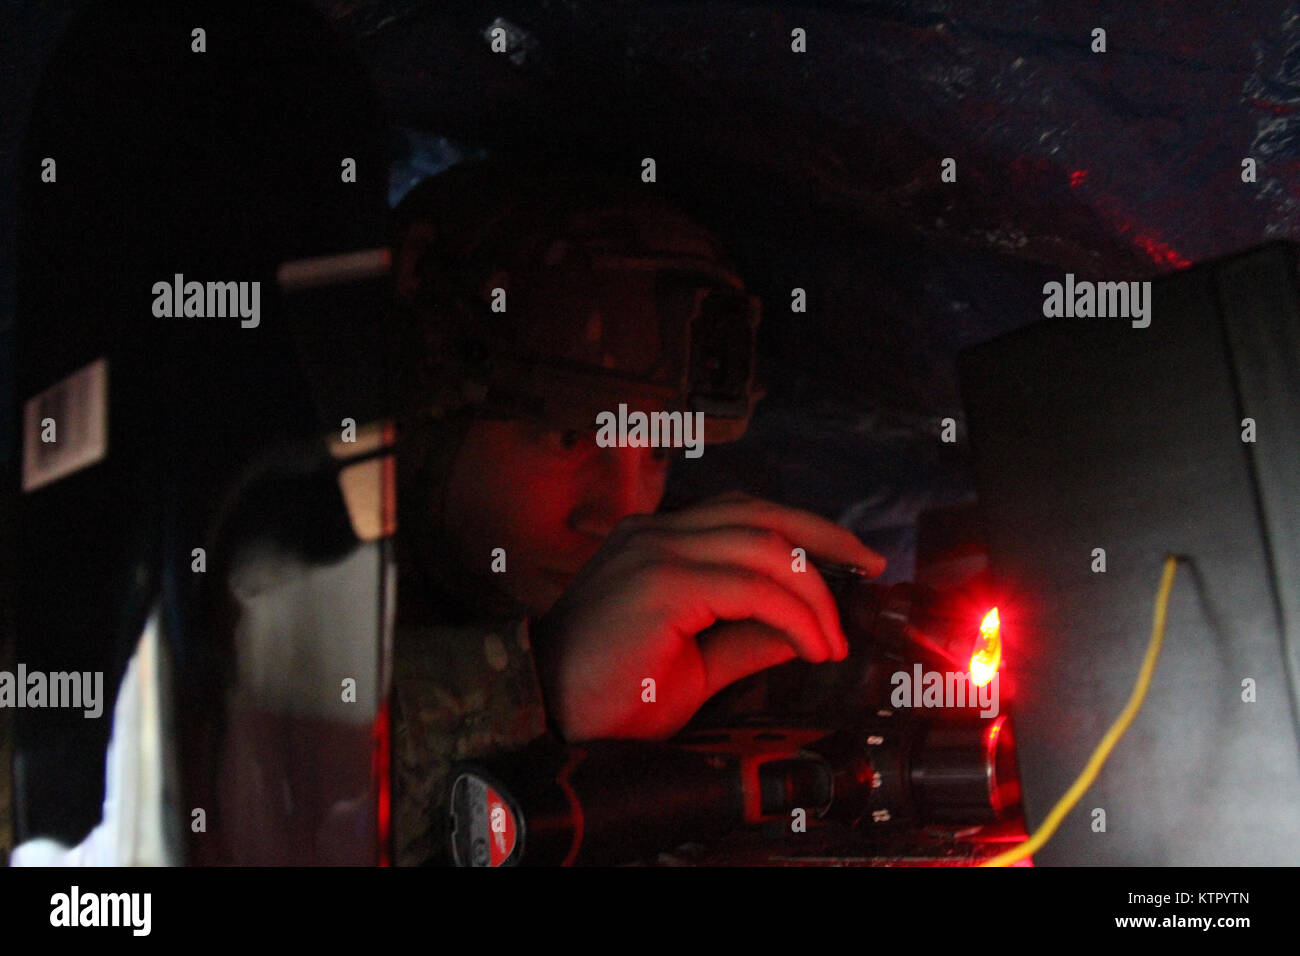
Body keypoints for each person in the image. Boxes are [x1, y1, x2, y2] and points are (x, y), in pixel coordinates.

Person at [389, 157, 885, 864]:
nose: (622, 515)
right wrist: (537, 689)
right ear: (424, 416)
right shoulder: (256, 608)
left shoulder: (684, 644)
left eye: (657, 452)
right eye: (570, 439)